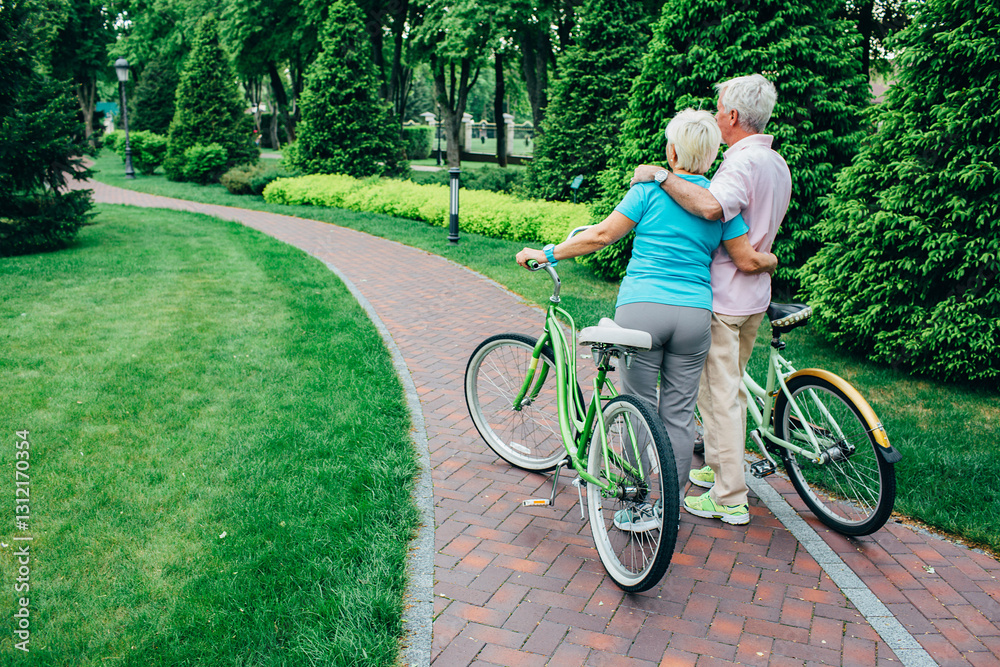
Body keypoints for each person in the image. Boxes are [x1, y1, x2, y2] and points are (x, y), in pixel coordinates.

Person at [517, 109, 776, 530]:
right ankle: (666, 507)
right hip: (694, 315)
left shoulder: (647, 191)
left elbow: (601, 236)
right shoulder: (720, 205)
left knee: (639, 406)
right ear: (711, 157)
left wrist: (543, 254)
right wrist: (774, 260)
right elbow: (746, 259)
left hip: (643, 312)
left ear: (671, 151)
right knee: (677, 415)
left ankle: (636, 505)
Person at [631, 74, 792, 526]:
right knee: (729, 389)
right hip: (755, 298)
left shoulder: (739, 165)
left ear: (734, 116)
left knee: (719, 398)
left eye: (719, 109)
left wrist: (660, 175)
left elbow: (708, 209)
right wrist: (768, 261)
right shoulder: (776, 162)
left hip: (723, 297)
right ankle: (719, 470)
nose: (716, 115)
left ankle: (729, 497)